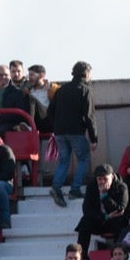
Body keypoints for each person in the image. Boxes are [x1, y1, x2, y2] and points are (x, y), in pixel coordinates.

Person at [47, 62, 97, 208]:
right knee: (83, 159)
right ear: (86, 74)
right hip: (76, 131)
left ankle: (56, 187)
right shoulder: (85, 90)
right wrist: (94, 138)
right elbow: (89, 117)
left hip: (60, 132)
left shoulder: (61, 90)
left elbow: (50, 112)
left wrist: (56, 126)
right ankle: (75, 189)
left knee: (64, 160)